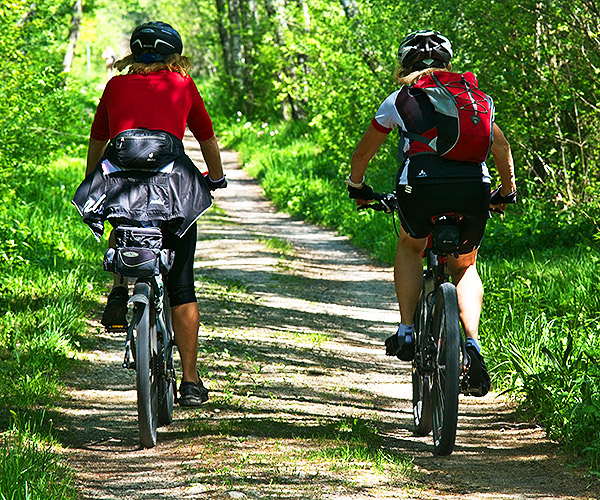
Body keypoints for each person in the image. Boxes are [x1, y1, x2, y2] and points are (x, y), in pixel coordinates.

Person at [346, 30, 517, 396]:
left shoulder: (399, 100)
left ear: (404, 65)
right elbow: (500, 146)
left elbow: (362, 154)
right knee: (465, 266)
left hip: (420, 189)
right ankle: (472, 344)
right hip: (474, 188)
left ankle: (407, 330)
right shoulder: (473, 97)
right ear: (447, 63)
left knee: (410, 245)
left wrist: (357, 187)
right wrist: (506, 192)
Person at [84, 21, 227, 407]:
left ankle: (118, 288)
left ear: (134, 53)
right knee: (182, 285)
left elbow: (99, 140)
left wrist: (91, 181)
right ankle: (192, 381)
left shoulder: (115, 86)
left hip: (123, 186)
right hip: (172, 191)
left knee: (120, 215)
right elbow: (206, 137)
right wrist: (216, 179)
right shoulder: (182, 84)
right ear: (173, 55)